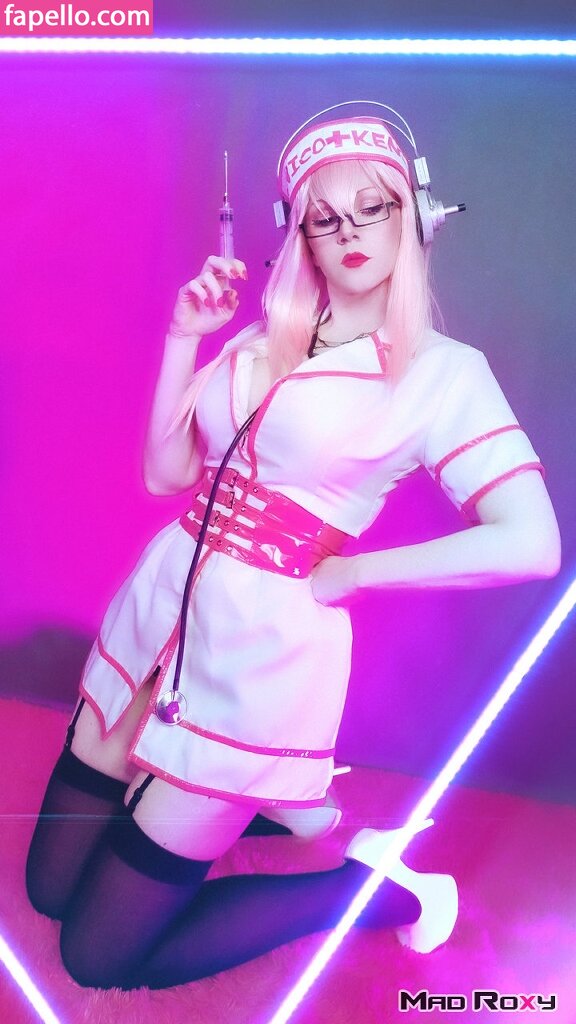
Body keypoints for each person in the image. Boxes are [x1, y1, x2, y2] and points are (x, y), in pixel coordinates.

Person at [26, 103, 560, 990]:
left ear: (416, 215)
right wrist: (183, 338)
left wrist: (352, 572)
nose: (349, 231)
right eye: (324, 216)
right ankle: (228, 813)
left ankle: (372, 886)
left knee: (95, 954)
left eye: (373, 207)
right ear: (300, 232)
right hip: (160, 615)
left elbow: (532, 542)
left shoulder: (444, 373)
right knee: (46, 891)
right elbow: (166, 475)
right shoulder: (265, 335)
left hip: (258, 660)